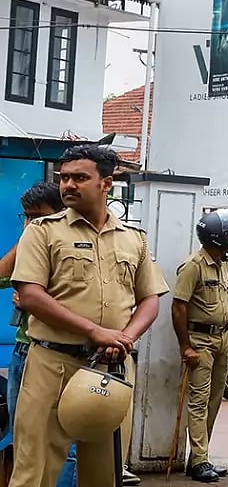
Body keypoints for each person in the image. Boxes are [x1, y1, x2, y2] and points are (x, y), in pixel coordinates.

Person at [10, 145, 169, 486]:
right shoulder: (43, 231)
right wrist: (96, 331)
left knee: (105, 473)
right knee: (33, 472)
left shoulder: (133, 239)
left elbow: (150, 299)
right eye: (64, 177)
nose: (68, 185)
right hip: (52, 364)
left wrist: (124, 338)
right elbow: (31, 296)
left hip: (109, 368)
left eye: (80, 177)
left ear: (106, 184)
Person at [0, 182, 82, 487]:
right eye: (26, 217)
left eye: (39, 216)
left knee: (61, 439)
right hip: (25, 349)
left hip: (58, 352)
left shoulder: (70, 246)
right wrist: (27, 235)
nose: (32, 222)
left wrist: (37, 301)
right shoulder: (33, 243)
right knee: (23, 433)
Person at [171, 211, 228, 483]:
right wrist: (185, 347)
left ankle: (199, 458)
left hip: (223, 338)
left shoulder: (224, 264)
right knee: (198, 402)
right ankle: (200, 461)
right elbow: (178, 307)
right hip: (199, 341)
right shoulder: (193, 265)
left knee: (215, 399)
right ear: (218, 237)